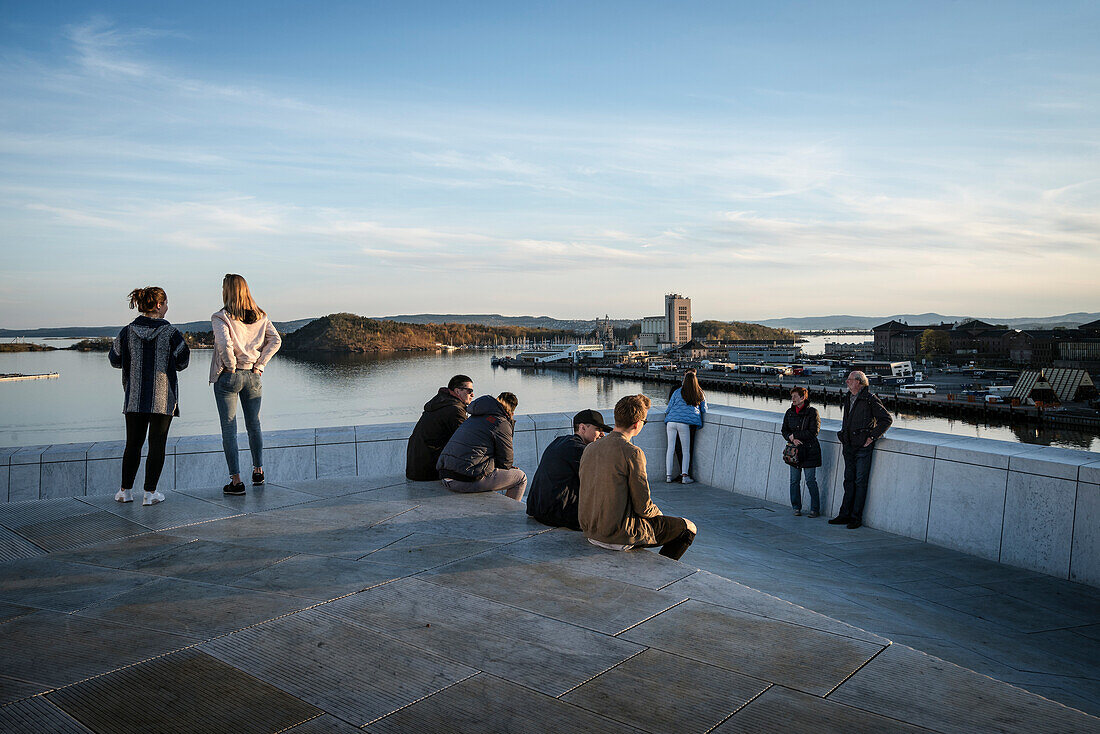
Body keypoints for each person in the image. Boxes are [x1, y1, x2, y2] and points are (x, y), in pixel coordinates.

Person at [579, 394, 697, 560]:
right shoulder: (633, 452)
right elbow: (643, 507)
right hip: (618, 535)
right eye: (645, 422)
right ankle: (663, 573)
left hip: (591, 531)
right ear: (637, 423)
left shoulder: (590, 448)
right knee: (688, 528)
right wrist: (660, 516)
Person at [108, 287, 190, 506]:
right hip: (163, 399)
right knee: (157, 445)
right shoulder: (170, 332)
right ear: (158, 305)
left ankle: (124, 491)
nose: (167, 308)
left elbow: (115, 359)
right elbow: (183, 361)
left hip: (134, 397)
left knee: (132, 444)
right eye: (166, 303)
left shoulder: (127, 331)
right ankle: (150, 493)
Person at [210, 274, 282, 496]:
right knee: (254, 425)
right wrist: (260, 364)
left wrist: (231, 366)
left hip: (229, 377)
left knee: (229, 429)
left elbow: (224, 344)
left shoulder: (221, 317)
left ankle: (236, 482)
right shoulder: (261, 316)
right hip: (253, 375)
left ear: (227, 291)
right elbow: (276, 340)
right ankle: (258, 471)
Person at [525, 409, 613, 530]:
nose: (602, 434)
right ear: (582, 428)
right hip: (557, 515)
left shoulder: (560, 441)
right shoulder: (579, 450)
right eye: (598, 429)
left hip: (538, 509)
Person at [830, 370, 893, 529]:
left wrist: (872, 437)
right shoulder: (848, 397)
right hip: (849, 445)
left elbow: (886, 419)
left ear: (859, 382)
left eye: (850, 379)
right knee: (848, 481)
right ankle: (844, 514)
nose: (847, 382)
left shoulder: (869, 399)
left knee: (860, 482)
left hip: (863, 447)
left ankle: (855, 518)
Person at [436, 392, 527, 500]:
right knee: (520, 478)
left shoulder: (473, 418)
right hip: (462, 480)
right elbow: (506, 461)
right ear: (512, 410)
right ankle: (509, 515)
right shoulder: (500, 422)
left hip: (445, 476)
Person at [406, 374, 474, 480]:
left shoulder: (441, 402)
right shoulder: (454, 409)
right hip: (429, 471)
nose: (472, 394)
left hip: (415, 468)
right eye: (469, 391)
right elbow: (466, 441)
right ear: (457, 391)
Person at [782, 387, 821, 517]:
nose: (793, 399)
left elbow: (813, 432)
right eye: (792, 396)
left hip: (809, 451)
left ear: (803, 397)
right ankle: (796, 507)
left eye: (795, 396)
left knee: (810, 480)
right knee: (794, 480)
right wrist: (791, 437)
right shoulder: (789, 412)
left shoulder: (812, 412)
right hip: (794, 452)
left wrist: (796, 436)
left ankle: (815, 509)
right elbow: (784, 430)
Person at [664, 371, 707, 483]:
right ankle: (685, 476)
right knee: (686, 450)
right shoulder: (699, 393)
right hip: (684, 424)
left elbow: (668, 408)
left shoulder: (677, 391)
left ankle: (668, 476)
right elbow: (704, 409)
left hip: (671, 422)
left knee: (670, 449)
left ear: (684, 380)